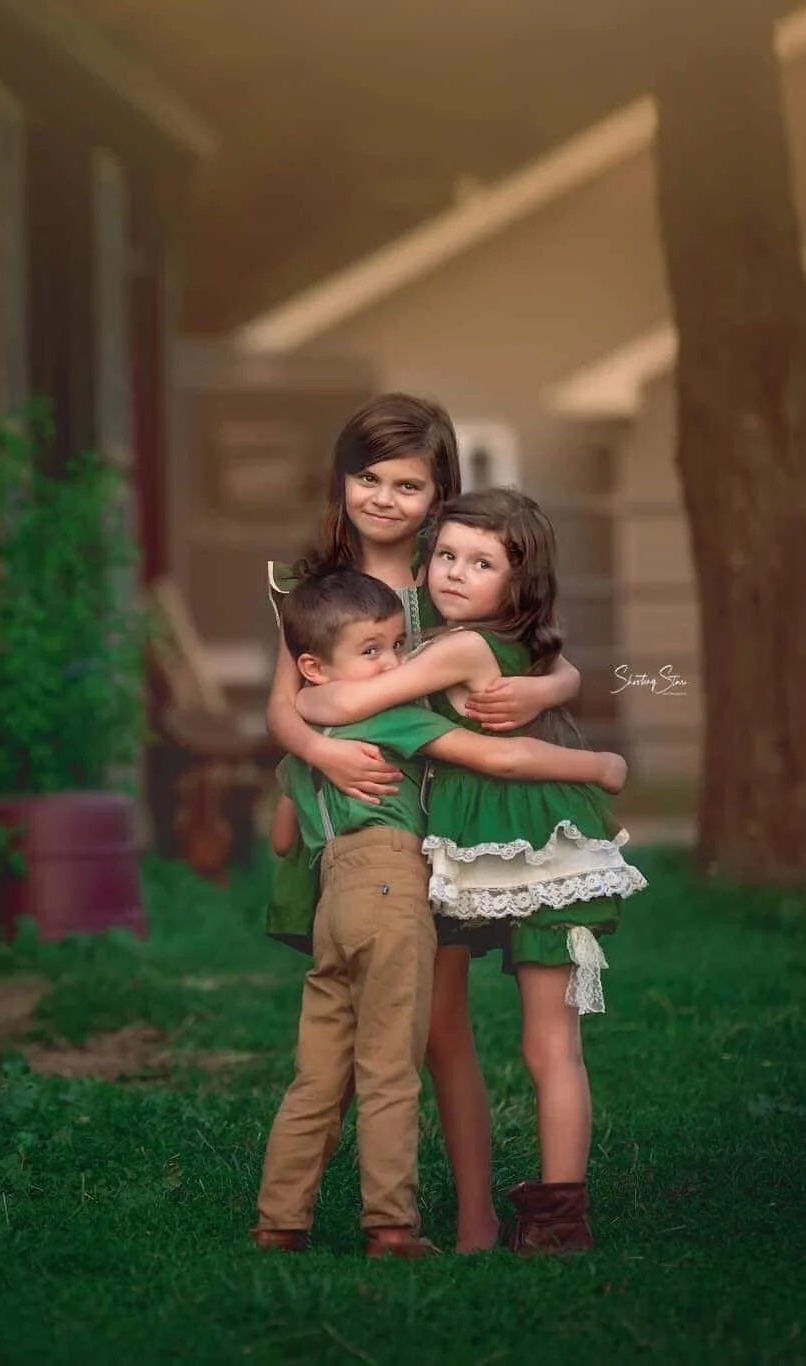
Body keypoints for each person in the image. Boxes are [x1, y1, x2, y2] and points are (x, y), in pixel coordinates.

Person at [265, 392, 584, 1252]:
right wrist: (323, 754)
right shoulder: (320, 591)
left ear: (439, 491)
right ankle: (346, 1208)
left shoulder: (452, 577)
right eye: (365, 477)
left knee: (441, 1026)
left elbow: (545, 654)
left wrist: (552, 689)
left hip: (449, 826)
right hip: (367, 829)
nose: (381, 498)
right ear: (340, 480)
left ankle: (473, 1212)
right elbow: (286, 707)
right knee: (384, 1024)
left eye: (406, 484)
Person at [297, 489, 648, 1253]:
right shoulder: (517, 645)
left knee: (543, 1044)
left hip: (508, 842)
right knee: (550, 1045)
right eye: (447, 555)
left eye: (481, 563)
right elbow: (563, 674)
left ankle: (549, 1217)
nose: (455, 573)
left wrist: (308, 697)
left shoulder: (456, 648)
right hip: (528, 838)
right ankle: (560, 1214)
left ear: (518, 582)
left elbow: (354, 699)